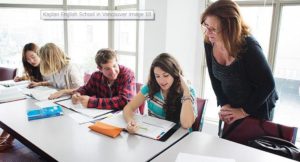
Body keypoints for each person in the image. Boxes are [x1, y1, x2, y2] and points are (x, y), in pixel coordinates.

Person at [201, 0, 278, 125]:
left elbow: (268, 84)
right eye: (206, 25)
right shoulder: (209, 41)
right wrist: (224, 104)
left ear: (229, 29)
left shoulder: (249, 46)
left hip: (256, 107)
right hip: (232, 105)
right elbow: (213, 77)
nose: (207, 32)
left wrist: (243, 111)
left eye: (213, 29)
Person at [123, 53, 197, 134]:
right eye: (157, 76)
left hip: (178, 138)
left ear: (175, 74)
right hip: (155, 135)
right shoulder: (150, 87)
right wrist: (130, 122)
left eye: (166, 75)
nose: (161, 81)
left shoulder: (188, 91)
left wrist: (186, 90)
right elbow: (128, 108)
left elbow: (186, 124)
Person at [0, 43, 45, 152]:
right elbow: (35, 78)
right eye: (28, 59)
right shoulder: (33, 67)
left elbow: (48, 82)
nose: (31, 61)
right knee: (16, 113)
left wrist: (38, 84)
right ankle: (3, 139)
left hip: (43, 99)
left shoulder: (46, 65)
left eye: (33, 57)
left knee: (21, 115)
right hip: (35, 97)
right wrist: (21, 78)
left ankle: (7, 140)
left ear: (39, 53)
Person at [71, 48, 136, 109]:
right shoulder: (96, 76)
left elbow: (124, 101)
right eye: (107, 69)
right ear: (100, 69)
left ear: (117, 62)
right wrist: (77, 94)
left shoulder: (127, 74)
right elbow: (86, 89)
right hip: (104, 116)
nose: (113, 72)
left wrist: (92, 102)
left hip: (126, 116)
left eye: (114, 66)